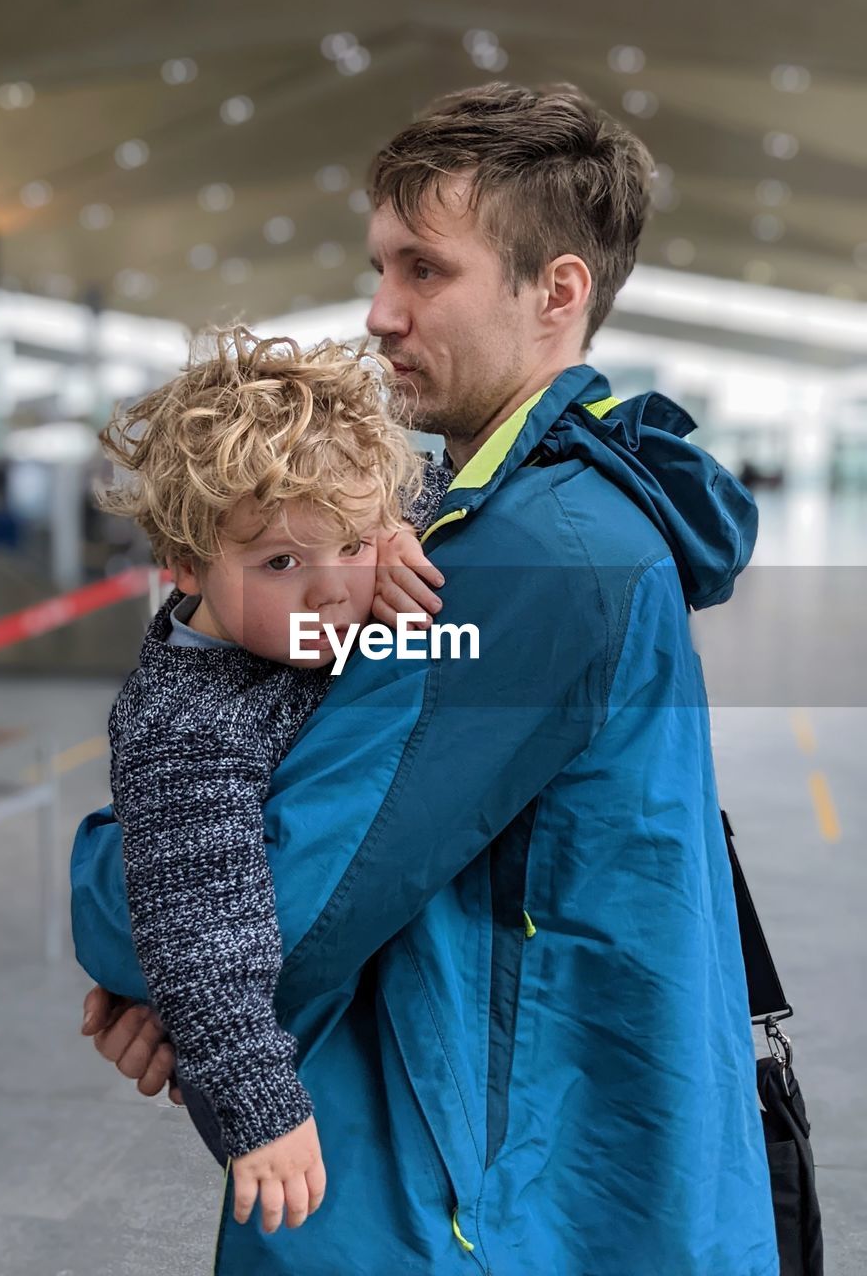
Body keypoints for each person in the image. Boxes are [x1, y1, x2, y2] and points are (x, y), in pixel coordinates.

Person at [73, 82, 779, 1274]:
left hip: (464, 1204)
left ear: (557, 290)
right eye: (379, 267)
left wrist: (111, 892)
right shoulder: (526, 507)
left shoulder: (528, 560)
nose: (379, 310)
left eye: (423, 271)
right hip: (532, 1166)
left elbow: (282, 903)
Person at [96, 327, 452, 1232]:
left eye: (352, 544)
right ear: (181, 564)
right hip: (293, 1095)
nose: (333, 591)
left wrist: (399, 530)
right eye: (282, 564)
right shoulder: (190, 726)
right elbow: (202, 925)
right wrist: (261, 1110)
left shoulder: (300, 608)